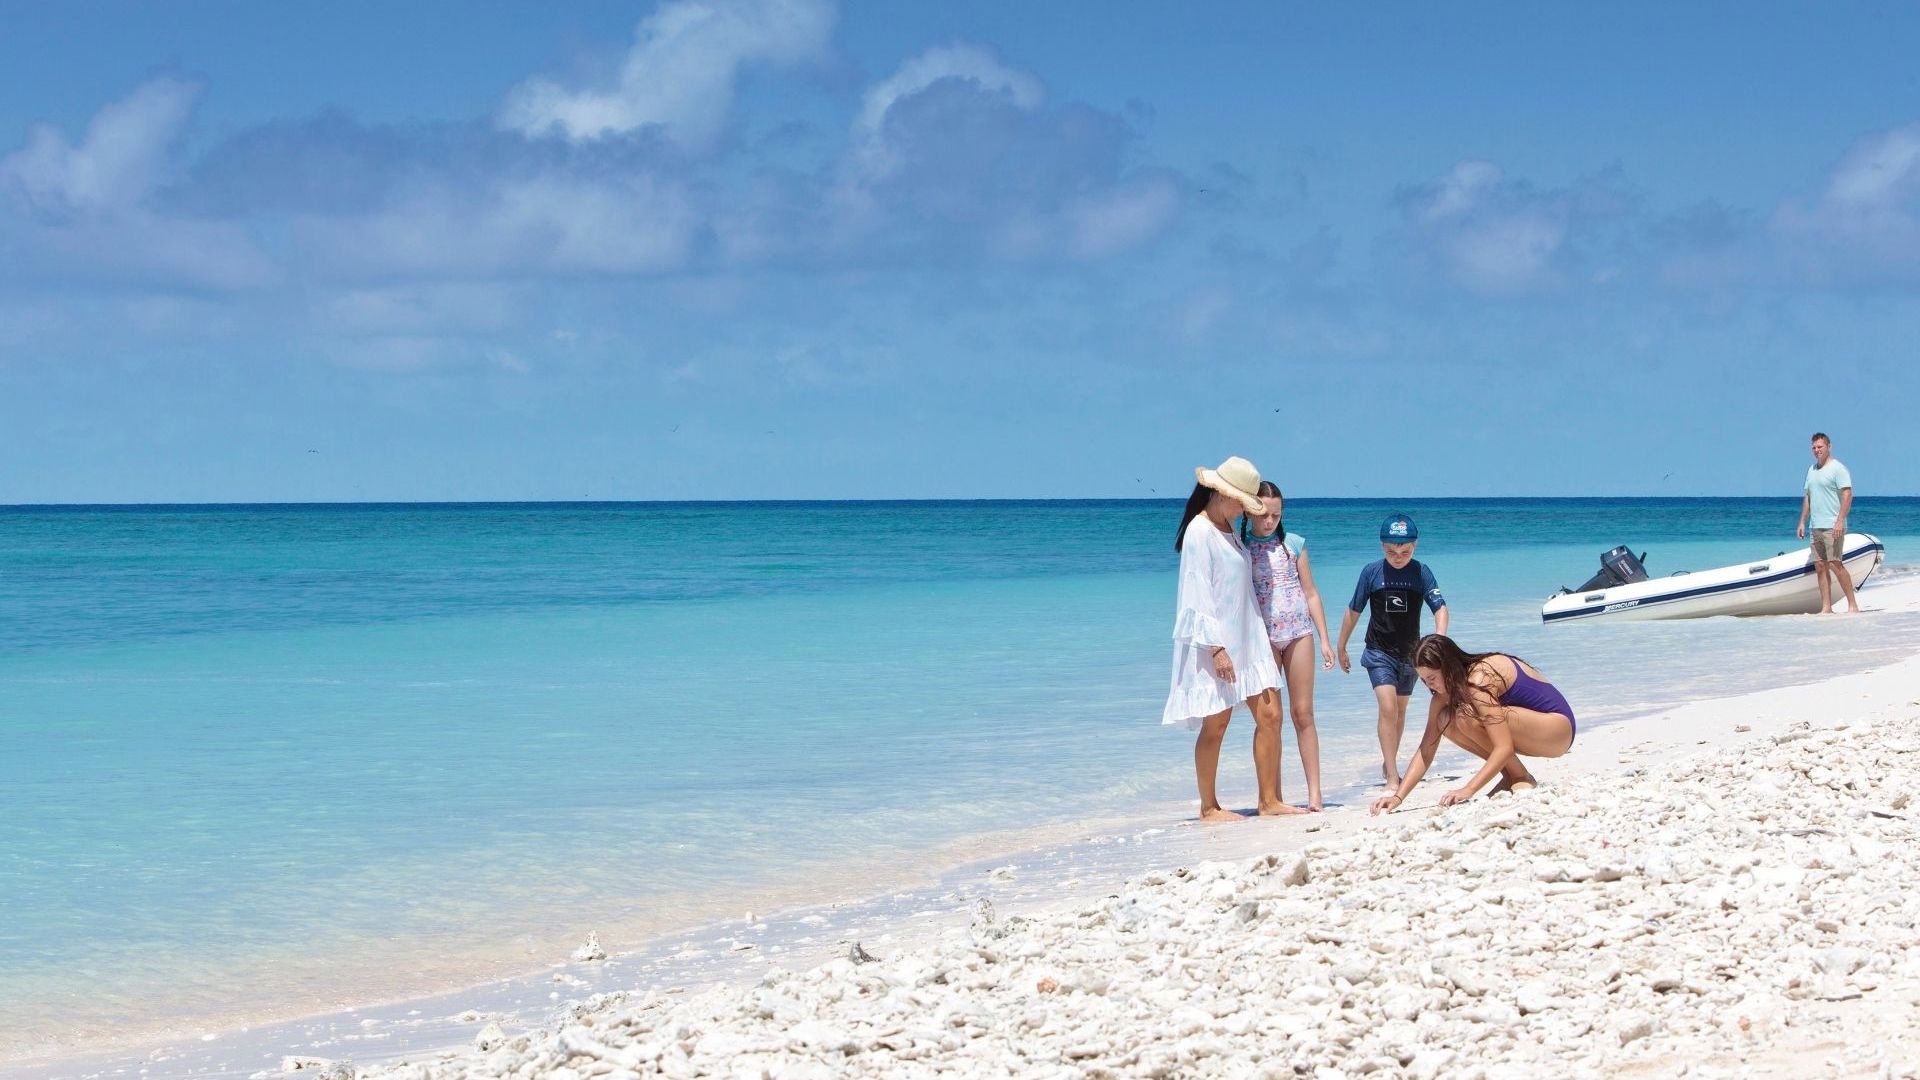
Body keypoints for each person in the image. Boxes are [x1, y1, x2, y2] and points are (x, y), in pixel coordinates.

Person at [1163, 457, 1300, 821]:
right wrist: (1217, 648)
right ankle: (1209, 807)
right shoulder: (1200, 530)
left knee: (1271, 715)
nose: (1246, 510)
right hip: (1219, 643)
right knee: (1217, 723)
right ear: (1223, 493)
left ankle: (1269, 801)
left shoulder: (1229, 529)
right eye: (1243, 501)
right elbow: (1197, 593)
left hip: (1249, 638)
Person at [1371, 634, 1575, 815]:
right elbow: (1426, 749)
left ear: (1448, 667)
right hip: (1535, 730)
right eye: (1424, 680)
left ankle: (1520, 776)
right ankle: (1511, 776)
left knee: (1464, 716)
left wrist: (1468, 789)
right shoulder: (1446, 692)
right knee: (1445, 719)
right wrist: (1398, 798)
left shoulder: (1479, 680)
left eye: (1431, 678)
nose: (1428, 686)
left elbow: (1503, 747)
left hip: (1558, 730)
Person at [1336, 513, 1448, 791]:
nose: (1397, 557)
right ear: (1381, 546)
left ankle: (1390, 761)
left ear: (1415, 546)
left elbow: (1441, 608)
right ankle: (1391, 777)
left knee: (1399, 710)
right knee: (1387, 708)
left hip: (1411, 655)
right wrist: (1341, 646)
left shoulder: (1422, 572)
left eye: (1404, 551)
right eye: (1391, 551)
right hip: (1378, 651)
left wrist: (1439, 642)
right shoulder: (1371, 572)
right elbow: (1353, 610)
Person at [1243, 482, 1336, 811]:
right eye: (1263, 514)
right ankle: (1273, 797)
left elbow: (1310, 592)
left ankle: (1314, 795)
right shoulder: (1240, 546)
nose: (1269, 521)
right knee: (1271, 718)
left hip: (1298, 633)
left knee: (1303, 714)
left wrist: (1325, 638)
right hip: (1262, 639)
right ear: (1249, 510)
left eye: (1276, 515)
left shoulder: (1293, 543)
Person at [1796, 432, 1858, 615]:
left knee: (1835, 564)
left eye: (1820, 447)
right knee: (1820, 566)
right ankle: (1826, 607)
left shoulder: (1838, 468)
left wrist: (1840, 521)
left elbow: (1847, 494)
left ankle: (1852, 605)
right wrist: (1802, 522)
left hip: (1833, 525)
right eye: (1814, 447)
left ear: (1828, 447)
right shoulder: (1811, 470)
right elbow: (1808, 496)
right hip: (1815, 526)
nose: (1817, 450)